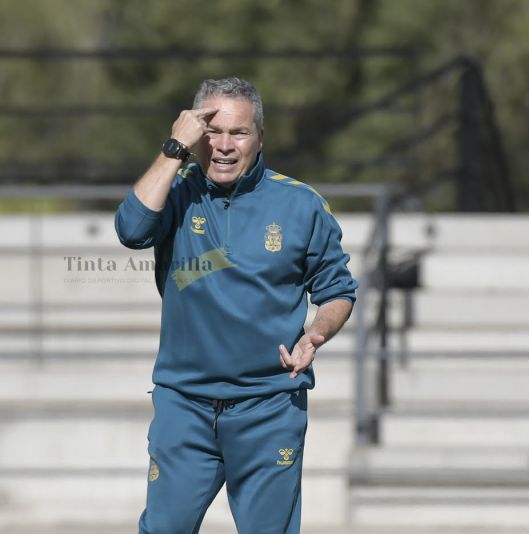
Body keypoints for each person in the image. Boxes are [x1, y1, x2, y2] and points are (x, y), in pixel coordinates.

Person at [115, 77, 357, 533]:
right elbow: (131, 229)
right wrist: (173, 149)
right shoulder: (176, 190)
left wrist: (316, 334)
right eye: (211, 131)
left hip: (268, 405)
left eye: (238, 133)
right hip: (184, 404)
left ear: (260, 138)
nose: (224, 146)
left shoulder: (300, 204)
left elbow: (338, 291)